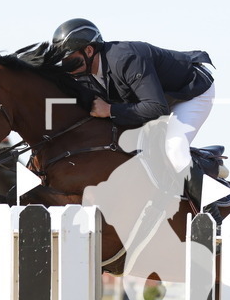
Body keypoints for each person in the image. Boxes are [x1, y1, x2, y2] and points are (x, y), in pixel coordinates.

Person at [50, 18, 220, 219]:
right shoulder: (83, 74)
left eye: (69, 59)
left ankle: (213, 216)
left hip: (190, 93)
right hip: (154, 98)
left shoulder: (125, 59)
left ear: (89, 51)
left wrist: (111, 110)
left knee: (172, 148)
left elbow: (157, 109)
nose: (66, 66)